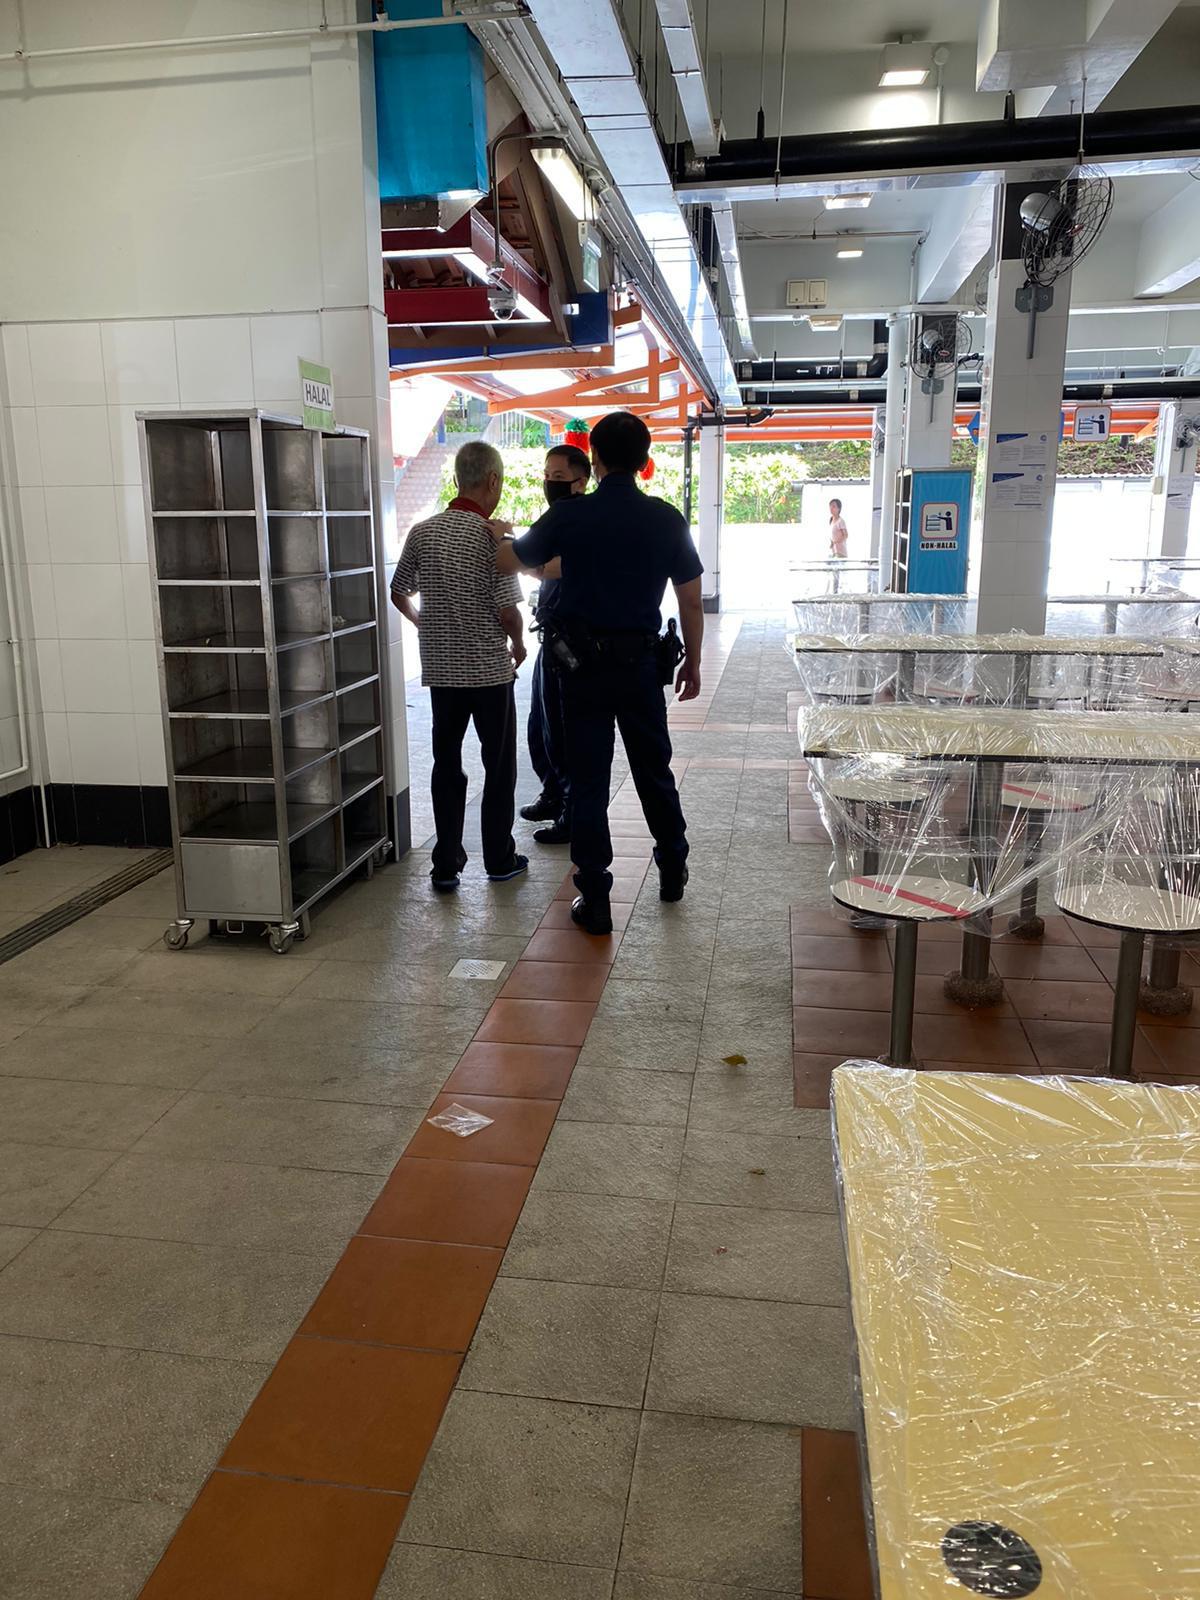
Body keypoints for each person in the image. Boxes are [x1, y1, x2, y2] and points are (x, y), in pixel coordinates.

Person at [492, 411, 703, 935]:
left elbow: (512, 561)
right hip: (642, 666)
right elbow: (691, 601)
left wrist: (497, 537)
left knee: (588, 779)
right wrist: (694, 662)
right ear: (644, 460)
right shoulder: (667, 518)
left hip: (582, 669)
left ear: (597, 458)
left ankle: (595, 896)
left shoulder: (571, 515)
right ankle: (672, 866)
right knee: (654, 769)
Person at [390, 440, 529, 892]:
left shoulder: (423, 532)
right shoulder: (492, 538)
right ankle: (499, 858)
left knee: (446, 763)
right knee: (499, 765)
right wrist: (518, 644)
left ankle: (446, 864)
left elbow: (399, 591)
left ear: (456, 480)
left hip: (442, 675)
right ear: (492, 481)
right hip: (489, 673)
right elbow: (508, 612)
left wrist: (424, 625)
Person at [520, 443, 592, 845]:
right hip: (549, 634)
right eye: (547, 476)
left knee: (562, 729)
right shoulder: (556, 517)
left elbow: (545, 564)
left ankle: (570, 811)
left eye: (559, 477)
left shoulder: (582, 519)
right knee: (540, 723)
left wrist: (524, 556)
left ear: (581, 482)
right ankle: (552, 792)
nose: (550, 483)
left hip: (571, 641)